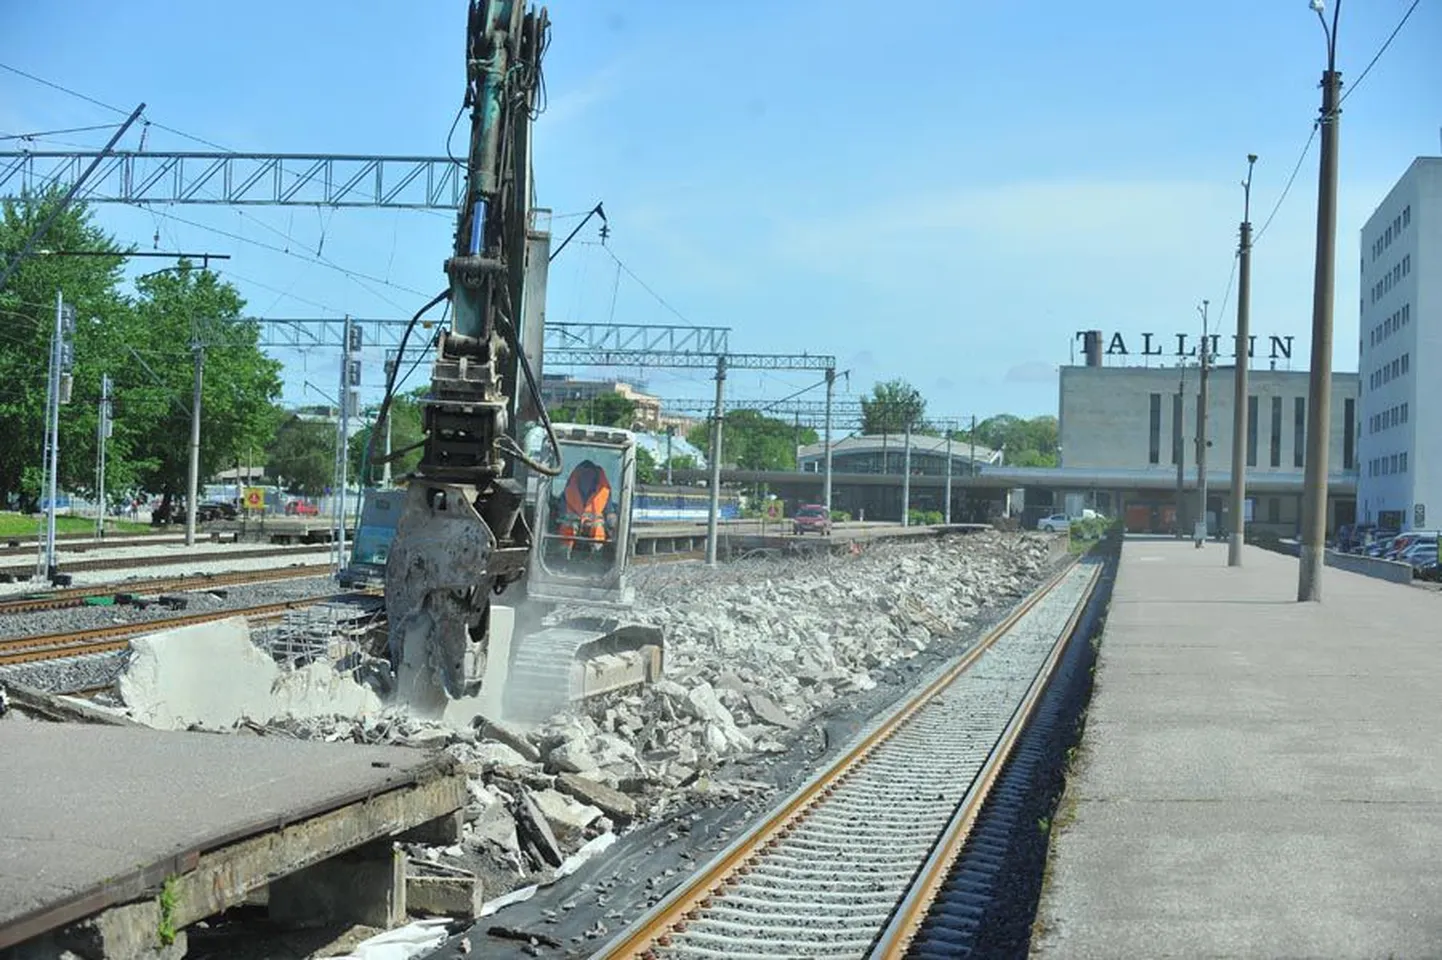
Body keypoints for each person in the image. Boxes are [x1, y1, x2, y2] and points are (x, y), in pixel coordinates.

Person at [557, 460, 612, 552]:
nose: (587, 477)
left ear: (595, 476)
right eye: (584, 474)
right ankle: (563, 553)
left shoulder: (604, 493)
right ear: (578, 475)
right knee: (567, 526)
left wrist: (612, 522)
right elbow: (560, 513)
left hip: (594, 538)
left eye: (590, 474)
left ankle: (597, 553)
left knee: (598, 526)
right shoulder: (567, 493)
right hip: (570, 535)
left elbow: (610, 513)